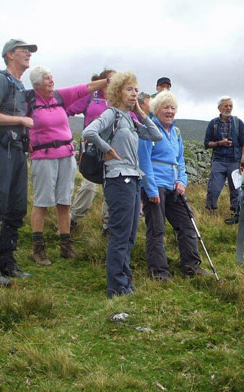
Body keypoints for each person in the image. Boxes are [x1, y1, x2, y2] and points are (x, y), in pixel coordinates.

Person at [82, 71, 162, 298]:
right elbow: (89, 131)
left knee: (129, 235)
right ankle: (116, 286)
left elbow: (157, 136)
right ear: (118, 91)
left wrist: (140, 112)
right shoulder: (112, 114)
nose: (134, 93)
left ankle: (125, 281)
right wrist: (107, 150)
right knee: (120, 234)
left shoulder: (130, 118)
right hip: (118, 179)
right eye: (129, 89)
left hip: (133, 179)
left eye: (136, 89)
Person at [26, 66, 110, 266]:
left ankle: (66, 246)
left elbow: (84, 89)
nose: (51, 80)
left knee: (64, 201)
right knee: (42, 202)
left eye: (51, 77)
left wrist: (108, 81)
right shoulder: (28, 101)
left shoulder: (59, 97)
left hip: (66, 155)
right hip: (43, 157)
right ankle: (38, 249)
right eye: (47, 78)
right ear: (37, 84)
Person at [0, 38, 37, 287]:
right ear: (10, 54)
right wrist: (22, 122)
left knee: (17, 208)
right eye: (25, 51)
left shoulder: (19, 85)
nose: (29, 55)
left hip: (16, 150)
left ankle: (7, 260)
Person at [138, 91, 211, 280]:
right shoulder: (149, 130)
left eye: (172, 108)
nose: (169, 111)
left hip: (174, 185)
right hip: (156, 185)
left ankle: (191, 267)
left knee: (186, 225)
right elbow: (144, 161)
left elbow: (180, 160)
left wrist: (182, 181)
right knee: (157, 229)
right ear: (156, 110)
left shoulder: (176, 132)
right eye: (165, 107)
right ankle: (158, 273)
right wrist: (151, 189)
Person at [66, 69, 116, 236]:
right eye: (111, 80)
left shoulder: (119, 100)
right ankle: (72, 220)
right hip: (91, 149)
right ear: (102, 81)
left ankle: (108, 227)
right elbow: (67, 109)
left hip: (112, 150)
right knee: (89, 186)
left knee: (111, 185)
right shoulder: (91, 97)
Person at [203, 96, 244, 222]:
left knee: (236, 189)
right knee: (214, 187)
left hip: (235, 160)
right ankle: (210, 211)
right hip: (218, 160)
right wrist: (219, 143)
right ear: (219, 108)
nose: (228, 108)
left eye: (230, 106)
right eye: (225, 105)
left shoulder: (238, 123)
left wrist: (243, 160)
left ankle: (236, 213)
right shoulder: (213, 124)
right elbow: (206, 143)